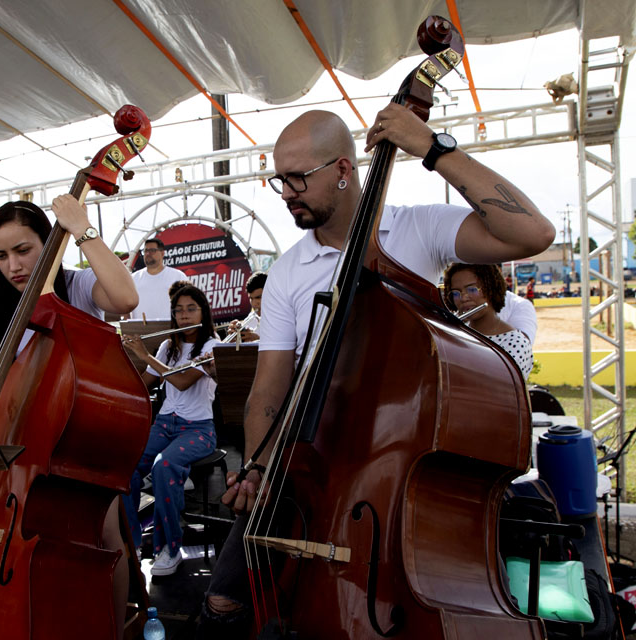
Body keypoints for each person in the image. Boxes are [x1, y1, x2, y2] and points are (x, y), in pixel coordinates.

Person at [196, 107, 554, 635]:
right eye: (279, 180)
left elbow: (532, 233)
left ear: (343, 169)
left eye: (298, 178)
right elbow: (269, 390)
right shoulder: (288, 271)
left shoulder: (419, 229)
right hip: (313, 462)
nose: (286, 192)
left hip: (402, 467)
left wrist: (432, 147)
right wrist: (257, 468)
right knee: (223, 604)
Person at [0, 195, 138, 617]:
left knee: (106, 536)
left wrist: (81, 229)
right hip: (23, 450)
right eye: (1, 256)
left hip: (79, 445)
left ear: (49, 243)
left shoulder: (78, 286)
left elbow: (125, 298)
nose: (13, 266)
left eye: (23, 250)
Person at [122, 284, 219, 576]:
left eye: (191, 309)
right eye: (178, 311)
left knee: (163, 467)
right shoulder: (168, 346)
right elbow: (145, 383)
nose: (184, 316)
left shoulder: (212, 345)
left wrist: (144, 354)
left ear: (203, 312)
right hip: (165, 423)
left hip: (198, 429)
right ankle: (131, 545)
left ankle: (170, 547)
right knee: (125, 468)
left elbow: (182, 381)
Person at [443, 263, 533, 379]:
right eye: (456, 293)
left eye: (472, 289)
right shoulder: (456, 336)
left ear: (490, 289)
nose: (463, 298)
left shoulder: (516, 343)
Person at [129, 238, 187, 320]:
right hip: (139, 327)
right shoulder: (133, 278)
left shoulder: (178, 276)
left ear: (162, 253)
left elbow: (188, 302)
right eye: (146, 251)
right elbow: (125, 306)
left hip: (170, 326)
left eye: (152, 250)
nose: (148, 253)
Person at [226, 271, 266, 342]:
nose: (254, 304)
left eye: (258, 297)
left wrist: (257, 339)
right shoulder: (252, 317)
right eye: (251, 298)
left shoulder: (282, 316)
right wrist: (235, 336)